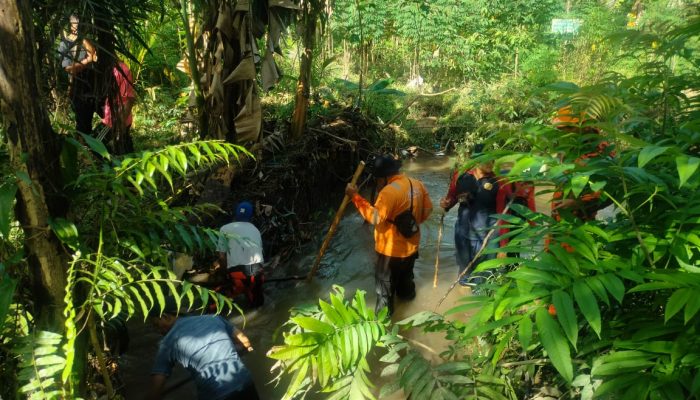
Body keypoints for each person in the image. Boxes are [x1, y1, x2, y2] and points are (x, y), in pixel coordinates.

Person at [345, 154, 433, 316]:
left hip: (389, 254)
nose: (377, 184)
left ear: (384, 178)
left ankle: (384, 327)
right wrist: (413, 222)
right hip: (411, 248)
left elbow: (374, 218)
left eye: (378, 180)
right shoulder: (417, 184)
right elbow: (428, 209)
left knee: (384, 292)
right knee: (406, 285)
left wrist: (354, 197)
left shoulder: (388, 192)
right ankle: (410, 309)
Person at [148, 310, 259, 400]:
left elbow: (158, 381)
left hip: (215, 394)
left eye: (156, 325)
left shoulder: (168, 342)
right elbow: (243, 339)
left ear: (166, 316)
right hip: (245, 382)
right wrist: (248, 348)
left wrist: (154, 396)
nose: (157, 330)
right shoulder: (213, 318)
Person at [439, 144, 500, 287]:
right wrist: (446, 203)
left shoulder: (498, 181)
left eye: (493, 160)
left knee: (483, 276)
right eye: (488, 160)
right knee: (464, 274)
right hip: (463, 232)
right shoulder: (461, 177)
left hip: (487, 235)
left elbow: (504, 210)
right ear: (477, 161)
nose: (492, 163)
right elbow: (452, 198)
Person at [214, 201, 265, 308]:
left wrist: (224, 274)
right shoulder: (255, 230)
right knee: (258, 304)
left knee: (215, 301)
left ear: (236, 214)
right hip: (257, 275)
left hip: (238, 277)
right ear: (251, 216)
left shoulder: (224, 228)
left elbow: (222, 257)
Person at [57, 14, 100, 136]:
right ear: (71, 25)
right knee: (83, 126)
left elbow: (94, 53)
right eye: (77, 25)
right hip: (79, 91)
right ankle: (85, 150)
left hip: (94, 88)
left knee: (107, 116)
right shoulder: (65, 44)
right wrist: (87, 61)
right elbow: (69, 69)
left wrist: (84, 39)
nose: (80, 27)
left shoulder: (87, 41)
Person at [102, 60, 135, 154]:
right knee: (122, 149)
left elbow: (130, 99)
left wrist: (119, 124)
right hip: (114, 117)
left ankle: (109, 164)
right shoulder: (109, 68)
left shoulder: (122, 70)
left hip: (115, 119)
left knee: (95, 144)